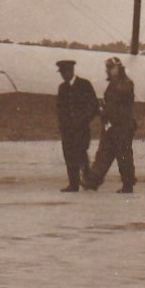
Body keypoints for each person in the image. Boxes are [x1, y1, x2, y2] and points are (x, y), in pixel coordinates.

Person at [84, 56, 137, 192]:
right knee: (103, 153)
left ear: (117, 68)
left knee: (123, 155)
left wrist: (103, 109)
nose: (107, 71)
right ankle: (93, 181)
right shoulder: (115, 83)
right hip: (111, 125)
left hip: (123, 126)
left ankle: (128, 184)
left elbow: (116, 101)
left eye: (109, 68)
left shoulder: (126, 83)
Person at [55, 59, 100, 192]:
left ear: (71, 71)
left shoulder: (84, 85)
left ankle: (88, 180)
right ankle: (73, 184)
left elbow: (93, 105)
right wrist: (63, 124)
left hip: (81, 128)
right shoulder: (62, 87)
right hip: (67, 129)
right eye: (61, 73)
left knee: (81, 154)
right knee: (68, 154)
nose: (63, 75)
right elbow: (60, 108)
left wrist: (83, 119)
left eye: (65, 72)